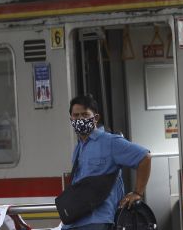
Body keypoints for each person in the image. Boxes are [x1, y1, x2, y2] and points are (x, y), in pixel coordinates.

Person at [64, 95, 152, 230]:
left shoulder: (110, 142)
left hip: (100, 220)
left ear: (96, 118)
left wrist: (138, 193)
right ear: (71, 119)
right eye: (76, 115)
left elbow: (144, 157)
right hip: (75, 220)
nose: (80, 119)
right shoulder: (79, 147)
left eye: (85, 115)